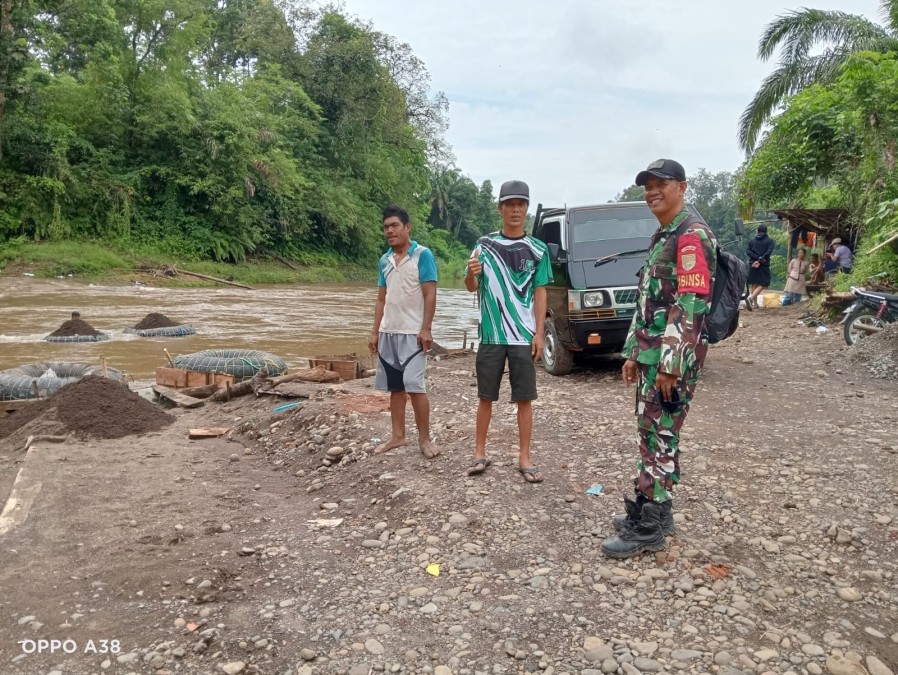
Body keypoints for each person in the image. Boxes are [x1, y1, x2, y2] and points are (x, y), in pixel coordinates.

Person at [601, 159, 717, 559]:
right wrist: (633, 352)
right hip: (651, 356)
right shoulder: (664, 234)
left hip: (672, 361)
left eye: (660, 184)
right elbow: (649, 301)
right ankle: (659, 510)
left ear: (682, 187)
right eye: (647, 185)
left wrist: (670, 364)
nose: (652, 191)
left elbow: (689, 304)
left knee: (659, 434)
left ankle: (649, 526)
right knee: (655, 432)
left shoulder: (691, 237)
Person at [464, 180, 552, 484]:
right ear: (500, 208)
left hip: (522, 337)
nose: (515, 209)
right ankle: (479, 452)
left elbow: (541, 293)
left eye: (521, 204)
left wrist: (539, 333)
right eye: (509, 204)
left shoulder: (538, 249)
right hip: (491, 334)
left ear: (526, 209)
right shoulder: (484, 244)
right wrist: (469, 274)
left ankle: (524, 457)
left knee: (524, 399)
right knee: (485, 397)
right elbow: (471, 286)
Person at [368, 205, 440, 459]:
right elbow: (381, 299)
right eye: (386, 227)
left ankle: (425, 439)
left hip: (413, 334)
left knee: (414, 385)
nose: (390, 231)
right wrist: (375, 332)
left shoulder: (423, 255)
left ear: (407, 227)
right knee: (395, 387)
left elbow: (430, 293)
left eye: (395, 226)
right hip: (389, 332)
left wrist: (426, 328)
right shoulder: (384, 261)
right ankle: (397, 436)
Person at [745, 224, 776, 308]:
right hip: (763, 264)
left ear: (757, 231)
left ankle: (755, 305)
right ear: (766, 232)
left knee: (754, 283)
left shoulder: (752, 240)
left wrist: (756, 258)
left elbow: (748, 251)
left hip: (753, 264)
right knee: (764, 283)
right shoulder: (770, 241)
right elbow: (769, 251)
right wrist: (761, 258)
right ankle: (751, 299)